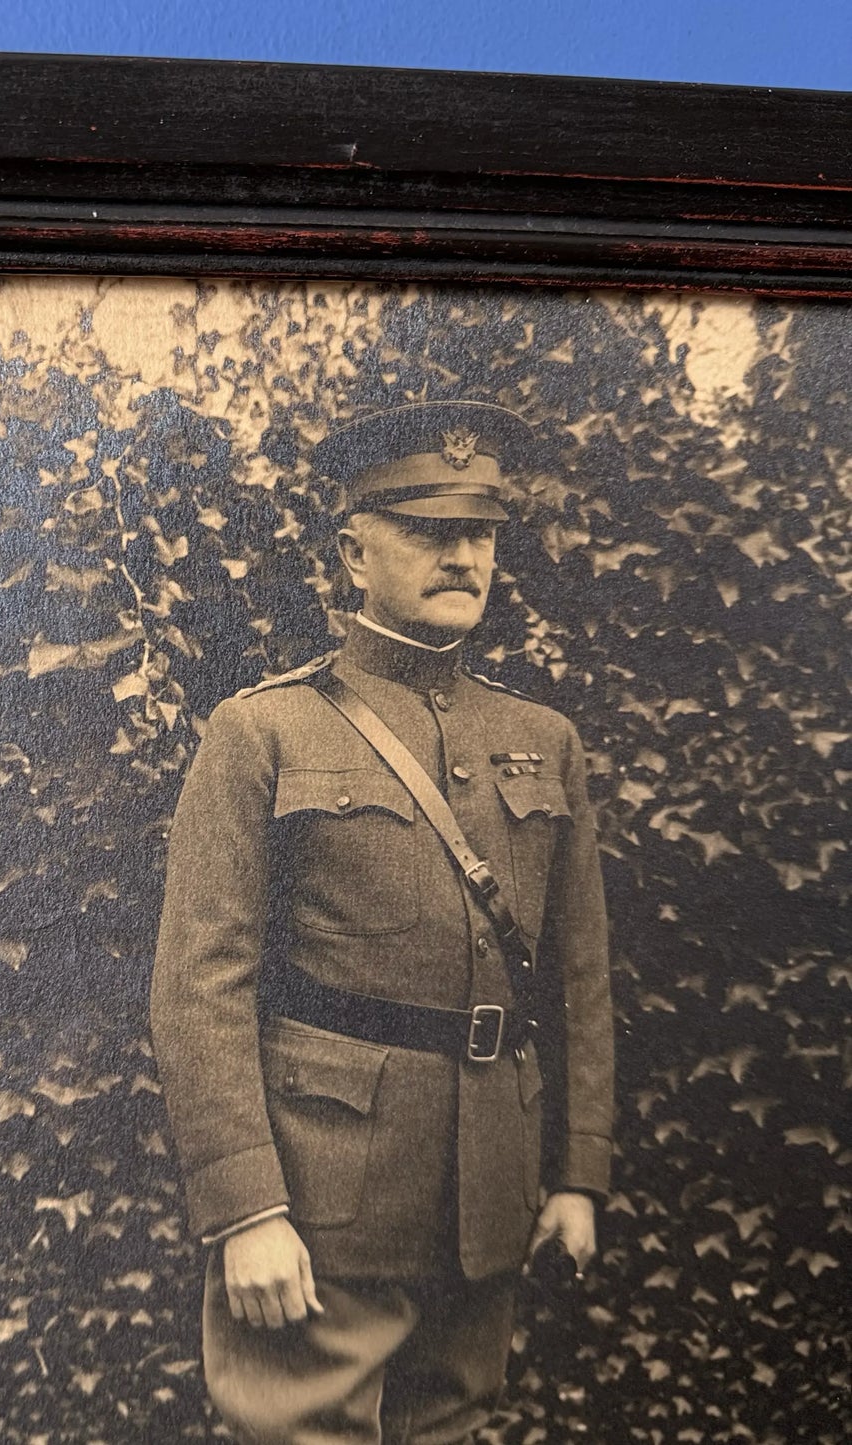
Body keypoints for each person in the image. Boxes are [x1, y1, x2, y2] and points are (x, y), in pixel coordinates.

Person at [149, 400, 614, 1445]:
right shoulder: (260, 729)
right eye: (427, 530)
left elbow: (579, 973)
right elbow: (199, 985)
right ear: (353, 553)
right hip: (321, 1201)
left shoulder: (541, 738)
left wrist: (577, 1168)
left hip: (487, 1191)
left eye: (479, 533)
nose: (461, 555)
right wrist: (245, 1208)